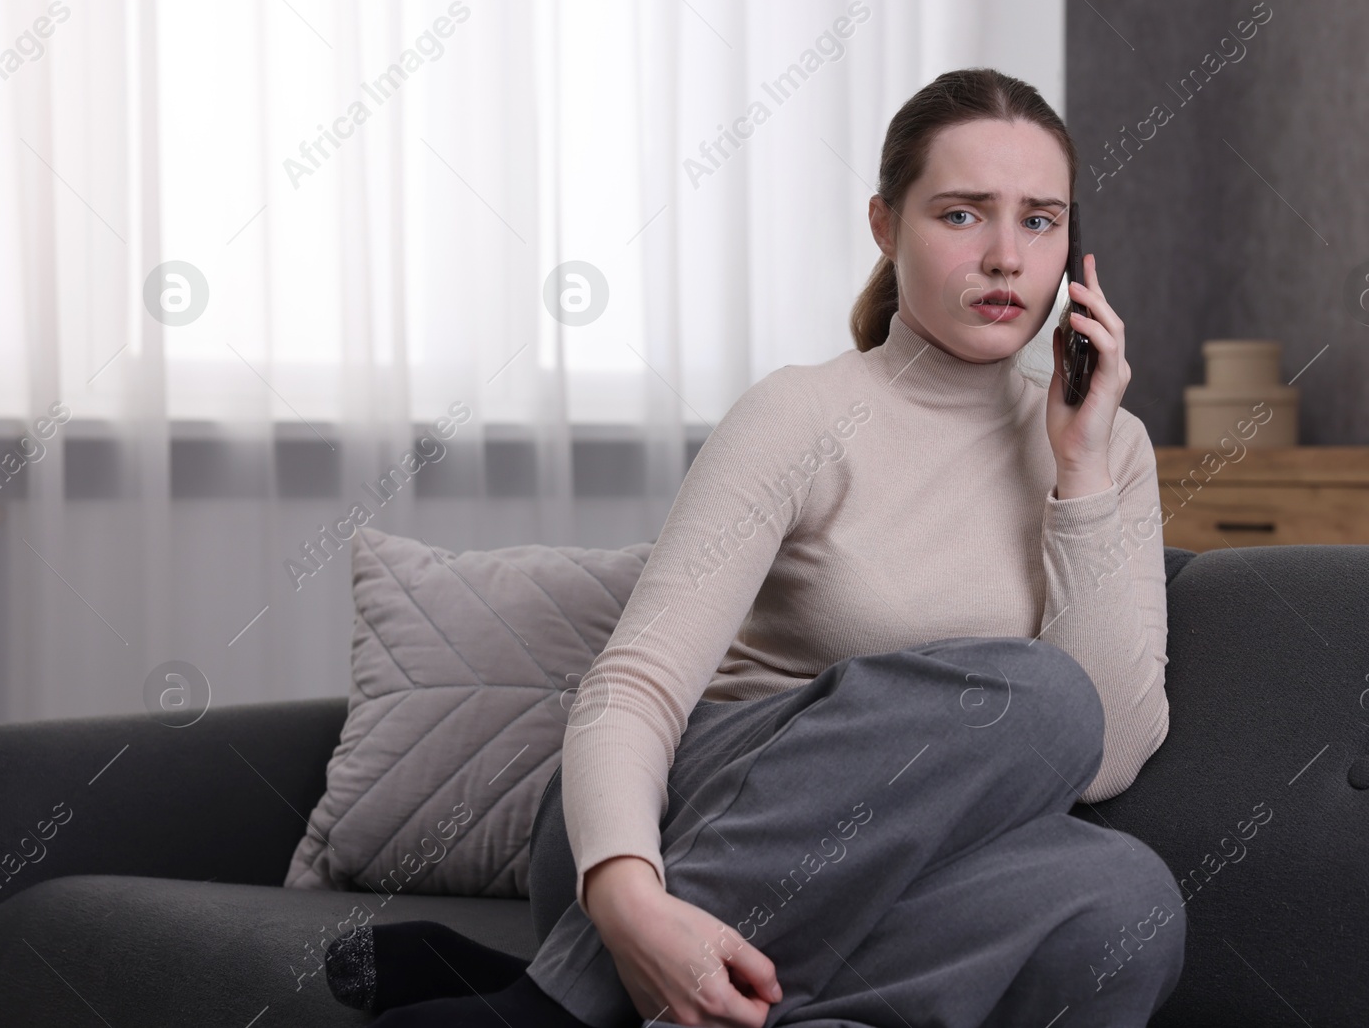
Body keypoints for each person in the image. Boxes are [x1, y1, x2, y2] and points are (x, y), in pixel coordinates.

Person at [328, 66, 1184, 1028]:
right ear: (884, 224)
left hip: (879, 880)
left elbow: (1103, 756)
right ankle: (560, 1000)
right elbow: (635, 684)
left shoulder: (1108, 448)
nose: (1003, 256)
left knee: (1126, 896)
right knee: (1037, 693)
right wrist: (622, 891)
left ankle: (601, 999)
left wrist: (1080, 468)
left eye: (1039, 220)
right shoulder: (803, 413)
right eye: (960, 215)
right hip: (669, 836)